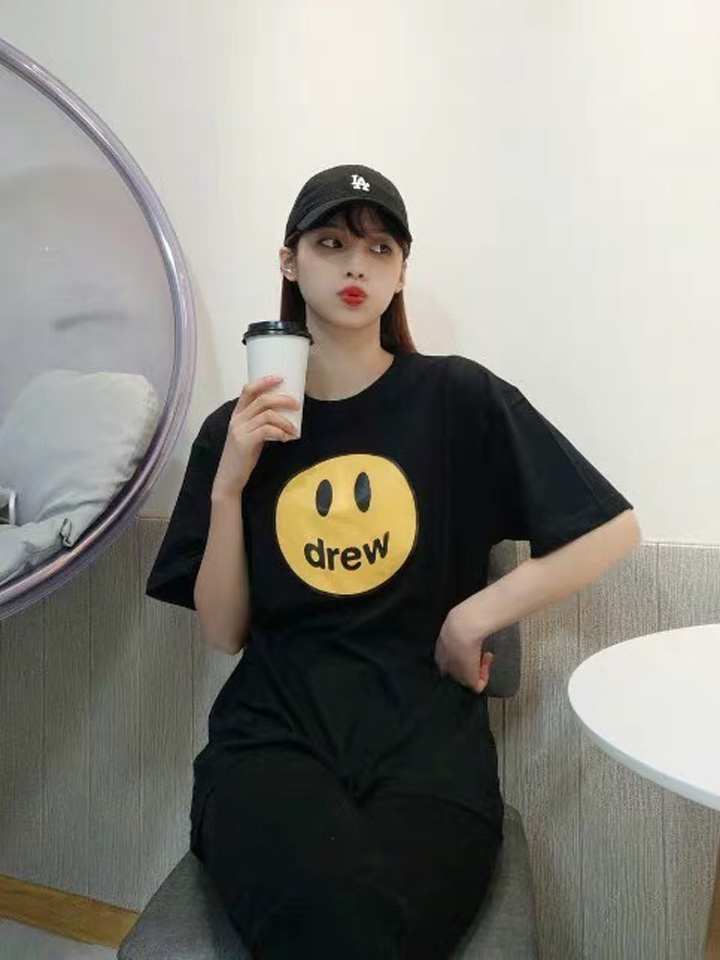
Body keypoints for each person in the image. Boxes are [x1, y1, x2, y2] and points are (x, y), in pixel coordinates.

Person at [145, 163, 635, 958]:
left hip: (428, 750)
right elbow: (223, 633)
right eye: (331, 243)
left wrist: (473, 616)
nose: (356, 265)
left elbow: (612, 530)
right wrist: (230, 486)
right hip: (272, 739)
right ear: (288, 260)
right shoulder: (232, 431)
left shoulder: (457, 399)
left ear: (403, 271)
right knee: (331, 922)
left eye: (380, 249)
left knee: (365, 929)